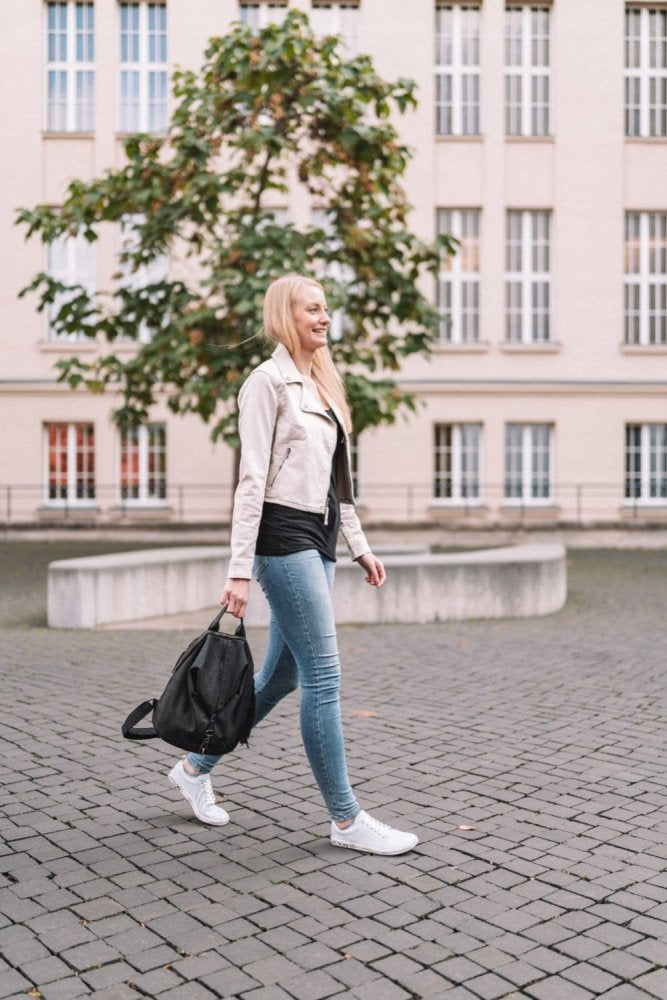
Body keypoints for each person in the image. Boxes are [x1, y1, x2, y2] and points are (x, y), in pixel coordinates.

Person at [168, 273, 418, 856]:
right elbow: (251, 480)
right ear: (286, 315)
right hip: (282, 539)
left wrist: (358, 545)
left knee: (282, 677)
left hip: (319, 538)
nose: (324, 318)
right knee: (324, 677)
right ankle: (346, 819)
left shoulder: (323, 385)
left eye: (326, 308)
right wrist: (238, 569)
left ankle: (195, 768)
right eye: (312, 309)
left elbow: (338, 485)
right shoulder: (267, 383)